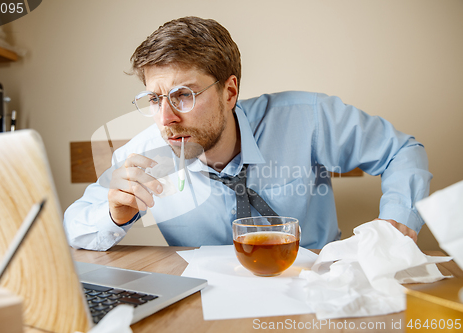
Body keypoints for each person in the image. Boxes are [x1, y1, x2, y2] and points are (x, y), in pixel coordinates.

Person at [64, 16, 432, 251]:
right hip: (205, 304)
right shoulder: (145, 154)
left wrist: (398, 218)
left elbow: (401, 151)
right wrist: (113, 214)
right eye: (155, 98)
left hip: (316, 284)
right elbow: (74, 228)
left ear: (230, 92)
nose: (166, 118)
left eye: (183, 95)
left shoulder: (309, 118)